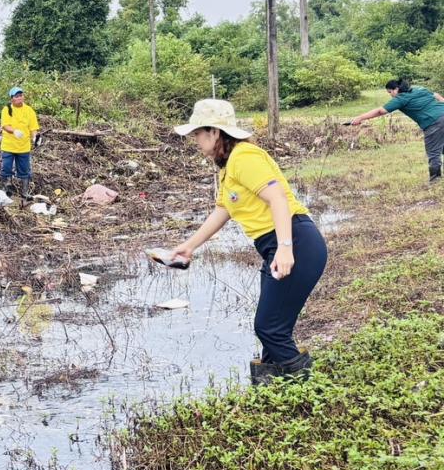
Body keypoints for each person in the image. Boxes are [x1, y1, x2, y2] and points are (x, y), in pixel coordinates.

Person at [170, 99, 327, 386]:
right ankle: (274, 396)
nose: (195, 140)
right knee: (274, 328)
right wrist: (190, 246)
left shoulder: (245, 157)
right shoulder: (228, 167)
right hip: (277, 246)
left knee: (269, 327)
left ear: (214, 132)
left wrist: (285, 248)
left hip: (295, 241)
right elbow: (224, 210)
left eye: (197, 133)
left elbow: (278, 198)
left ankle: (308, 393)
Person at [348, 78, 444, 182]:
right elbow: (436, 95)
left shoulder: (400, 99)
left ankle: (435, 180)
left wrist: (360, 118)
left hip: (433, 123)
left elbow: (380, 111)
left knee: (433, 152)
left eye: (390, 92)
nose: (390, 95)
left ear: (396, 89)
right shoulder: (419, 89)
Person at [0, 86, 41, 199]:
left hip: (23, 147)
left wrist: (34, 137)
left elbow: (33, 127)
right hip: (9, 145)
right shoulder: (7, 109)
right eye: (17, 96)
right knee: (6, 168)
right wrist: (14, 131)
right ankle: (7, 189)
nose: (20, 98)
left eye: (21, 95)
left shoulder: (29, 110)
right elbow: (5, 125)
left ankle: (25, 192)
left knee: (24, 169)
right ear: (12, 99)